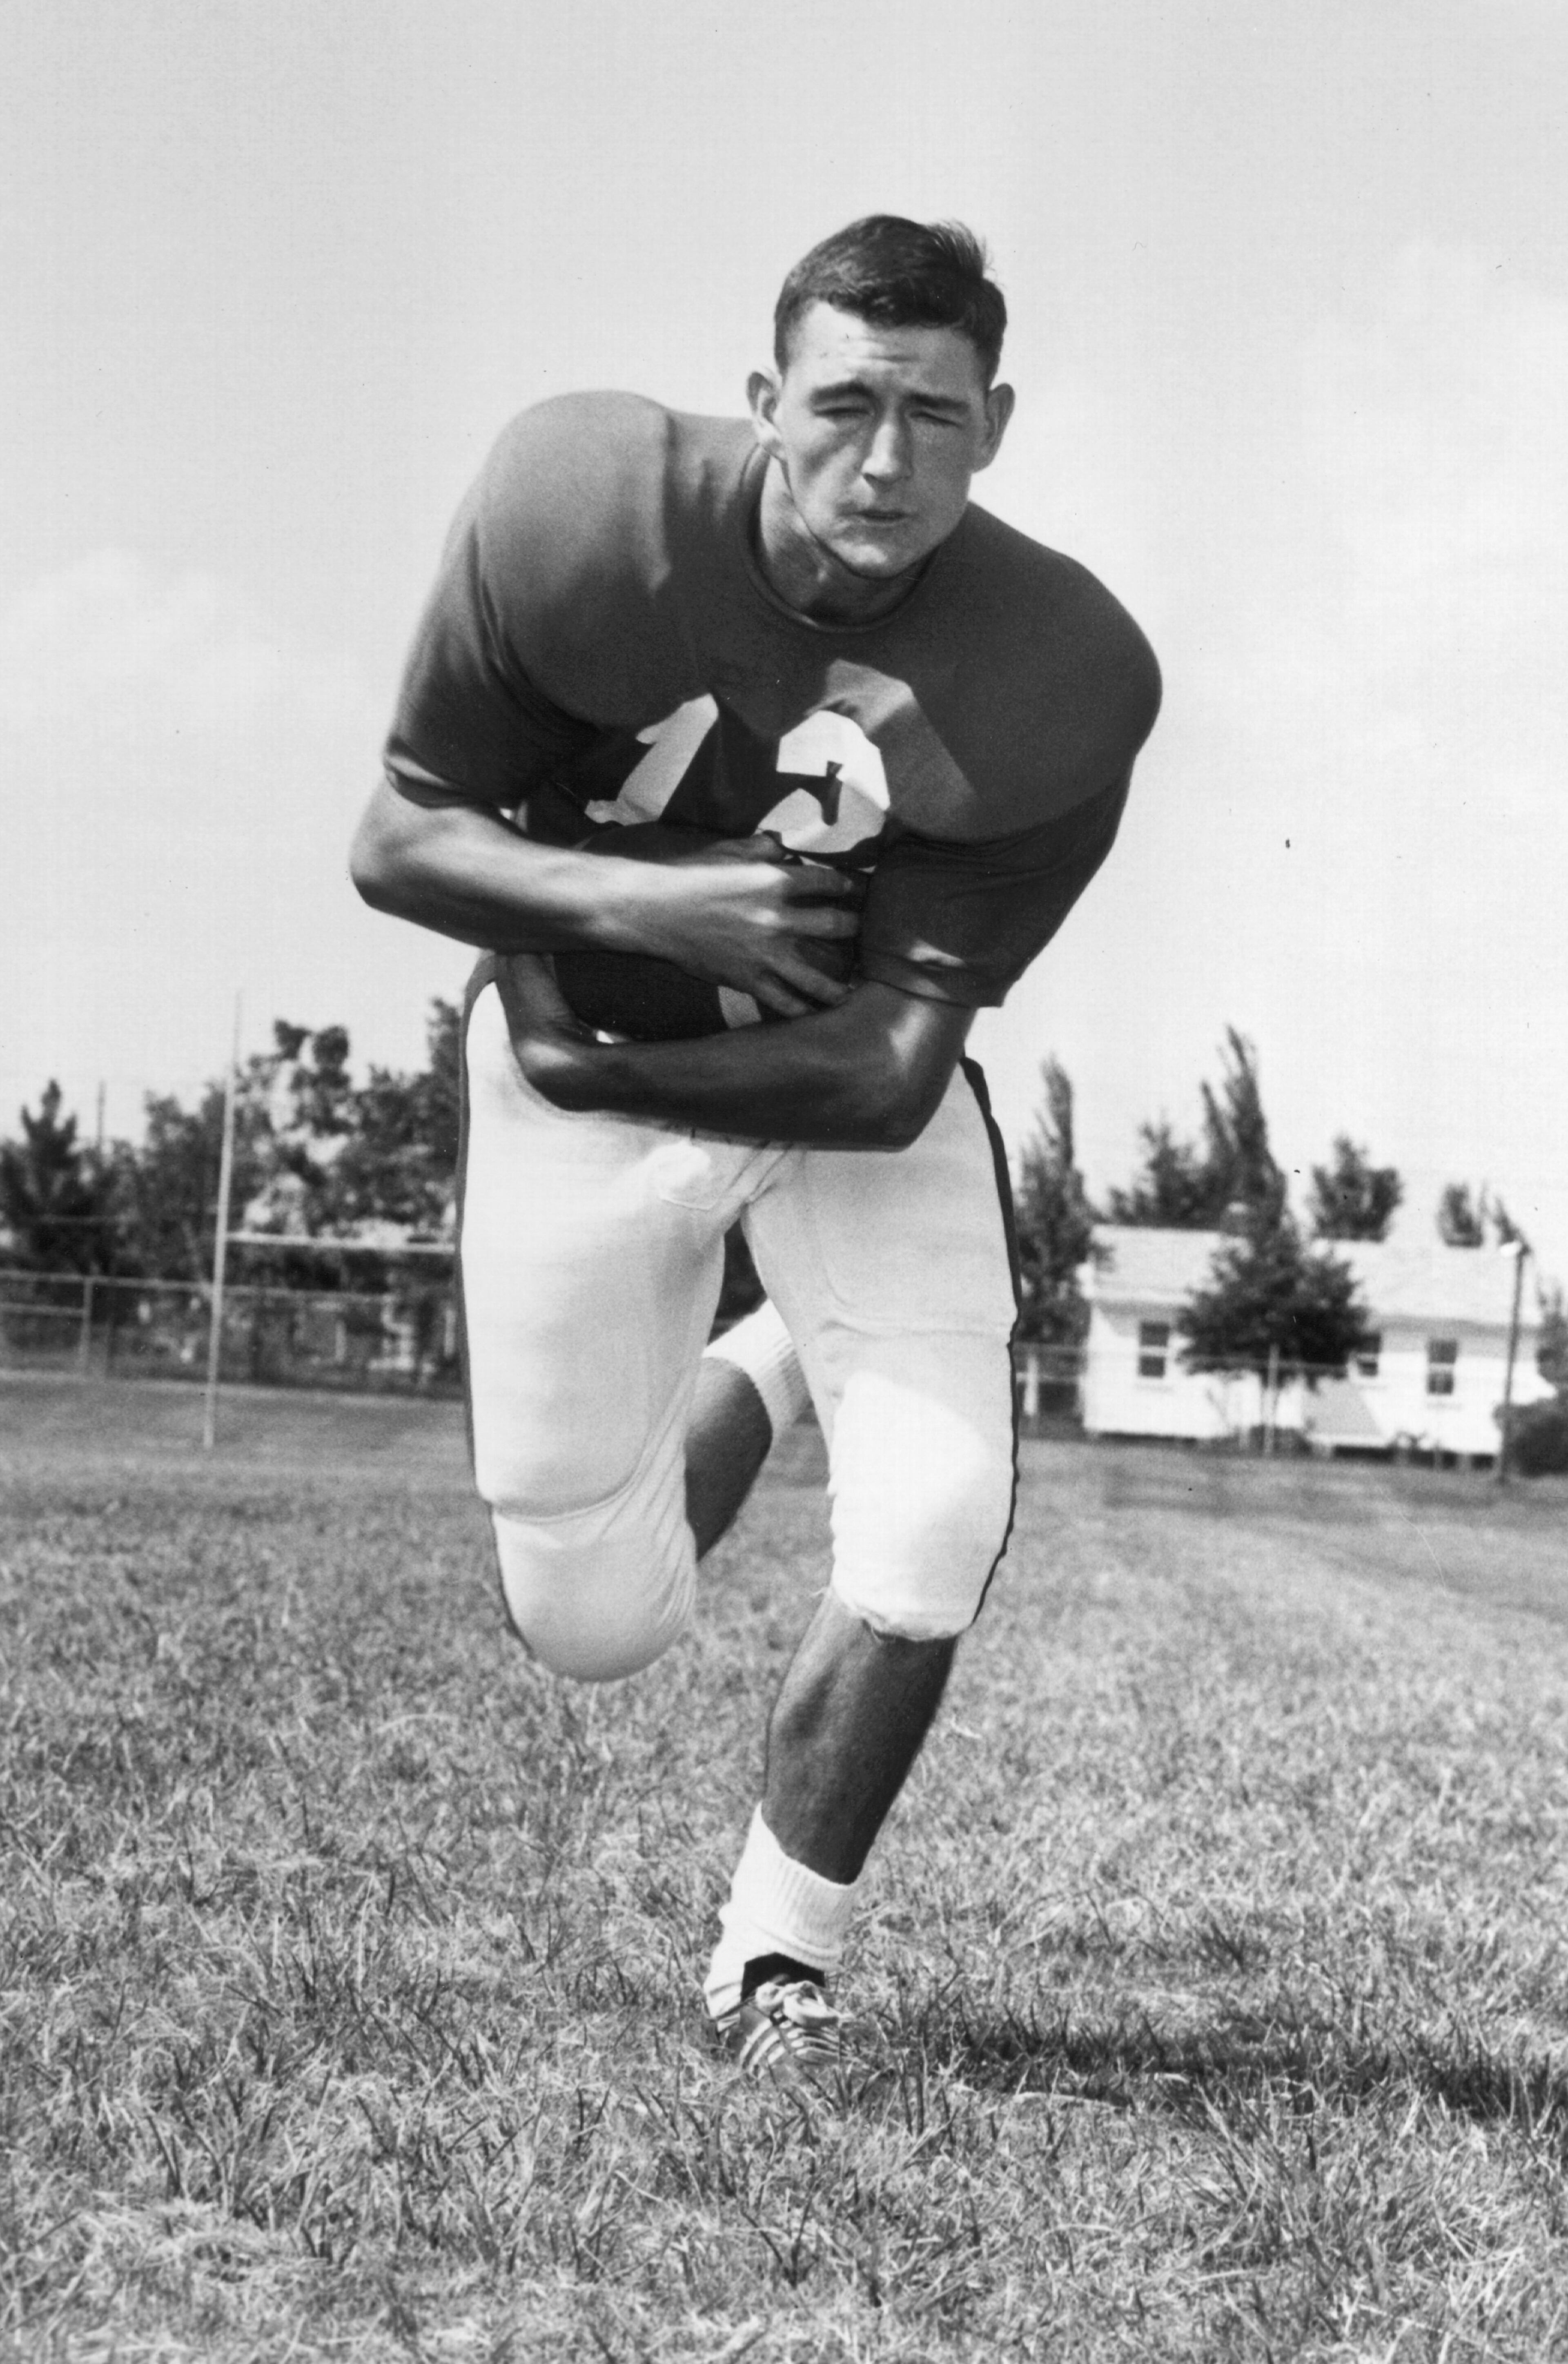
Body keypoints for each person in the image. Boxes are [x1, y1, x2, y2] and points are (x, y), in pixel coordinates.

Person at [351, 216, 1160, 2088]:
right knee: (593, 1622)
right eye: (847, 403)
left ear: (998, 421)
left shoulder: (1061, 665)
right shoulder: (582, 507)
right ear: (761, 399)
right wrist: (663, 933)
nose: (887, 461)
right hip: (600, 1065)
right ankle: (777, 1353)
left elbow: (889, 1073)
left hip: (832, 1102)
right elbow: (402, 836)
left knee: (938, 1512)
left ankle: (775, 1952)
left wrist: (572, 1029)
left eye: (937, 416)